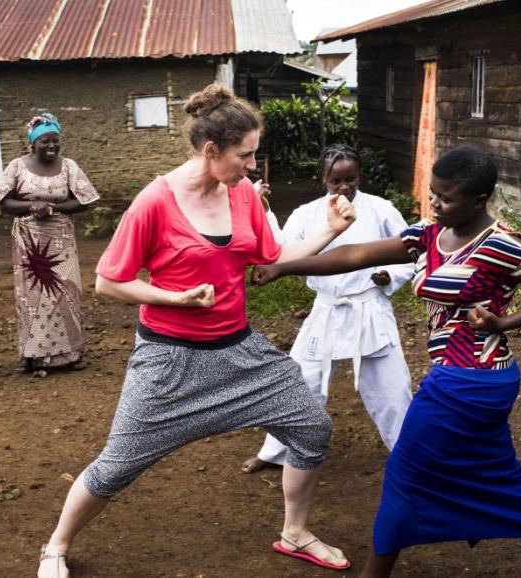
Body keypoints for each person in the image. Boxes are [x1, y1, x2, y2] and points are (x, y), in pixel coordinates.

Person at [36, 84, 357, 578]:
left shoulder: (244, 194)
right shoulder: (155, 202)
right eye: (245, 155)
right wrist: (173, 298)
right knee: (118, 465)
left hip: (240, 352)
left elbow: (271, 256)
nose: (252, 166)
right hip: (169, 362)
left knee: (313, 428)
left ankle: (295, 532)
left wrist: (330, 231)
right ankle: (55, 545)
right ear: (211, 151)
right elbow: (108, 282)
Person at [252, 146, 521, 578]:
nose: (436, 205)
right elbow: (356, 255)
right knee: (500, 472)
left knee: (405, 473)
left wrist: (504, 323)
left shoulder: (503, 245)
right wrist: (285, 268)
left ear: (479, 200)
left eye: (447, 199)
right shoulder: (429, 235)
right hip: (456, 375)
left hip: (473, 380)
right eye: (433, 195)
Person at [241, 144, 414, 475]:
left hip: (370, 307)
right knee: (299, 382)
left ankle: (407, 452)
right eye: (336, 181)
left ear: (359, 176)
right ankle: (275, 450)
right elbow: (283, 250)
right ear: (324, 179)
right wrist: (264, 210)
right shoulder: (308, 214)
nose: (344, 187)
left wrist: (388, 275)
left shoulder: (381, 209)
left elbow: (411, 250)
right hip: (327, 310)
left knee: (392, 388)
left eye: (351, 178)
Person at [0, 113, 99, 372]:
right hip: (28, 243)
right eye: (45, 142)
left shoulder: (69, 166)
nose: (51, 146)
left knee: (65, 293)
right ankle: (31, 355)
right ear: (32, 144)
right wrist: (32, 205)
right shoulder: (17, 166)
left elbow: (87, 199)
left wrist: (55, 209)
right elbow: (2, 201)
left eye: (55, 141)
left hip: (61, 242)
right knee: (32, 298)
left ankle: (70, 354)